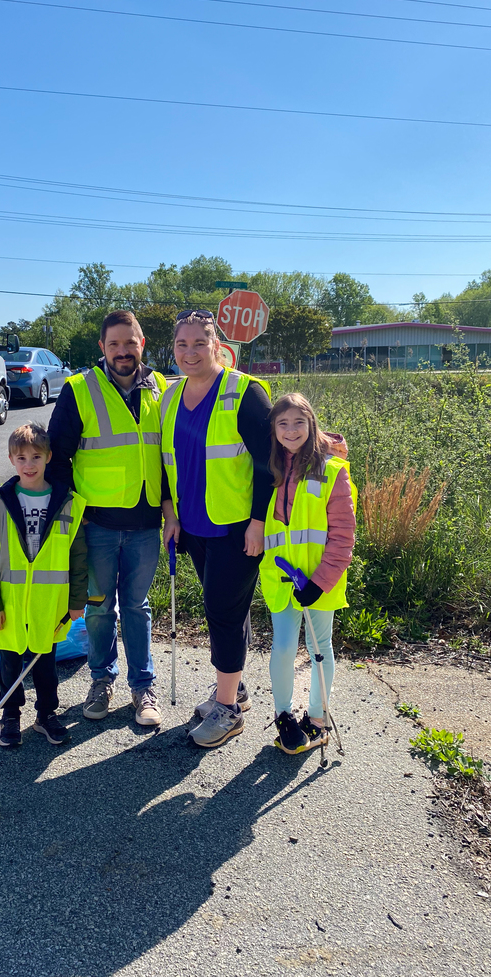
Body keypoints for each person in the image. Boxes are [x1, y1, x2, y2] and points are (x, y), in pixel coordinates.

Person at [47, 310, 176, 727]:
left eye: (131, 342)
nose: (124, 351)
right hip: (96, 525)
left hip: (144, 523)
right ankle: (101, 680)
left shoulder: (161, 389)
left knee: (136, 607)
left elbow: (170, 456)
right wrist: (72, 514)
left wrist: (170, 510)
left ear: (143, 344)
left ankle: (143, 687)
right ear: (102, 348)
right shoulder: (78, 390)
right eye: (115, 344)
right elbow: (56, 458)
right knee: (100, 608)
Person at [160, 310, 273, 748]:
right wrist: (171, 514)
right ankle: (235, 690)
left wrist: (258, 523)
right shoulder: (170, 397)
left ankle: (227, 711)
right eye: (182, 345)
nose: (190, 353)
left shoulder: (245, 392)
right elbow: (167, 463)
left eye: (199, 343)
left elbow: (269, 464)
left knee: (222, 612)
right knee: (231, 609)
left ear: (217, 346)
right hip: (194, 526)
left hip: (236, 528)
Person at [0, 422, 88, 748]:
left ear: (48, 457)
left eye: (36, 457)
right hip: (9, 606)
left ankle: (46, 715)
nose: (29, 464)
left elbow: (78, 558)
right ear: (12, 459)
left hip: (48, 605)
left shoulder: (67, 503)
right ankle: (9, 717)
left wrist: (76, 601)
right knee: (10, 665)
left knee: (45, 664)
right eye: (21, 457)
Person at [258, 393, 356, 754]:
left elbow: (343, 535)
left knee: (319, 648)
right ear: (273, 429)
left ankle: (317, 719)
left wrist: (320, 582)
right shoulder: (267, 470)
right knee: (282, 648)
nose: (291, 430)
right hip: (280, 578)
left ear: (312, 424)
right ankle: (283, 715)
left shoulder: (333, 471)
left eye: (299, 422)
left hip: (320, 580)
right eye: (282, 423)